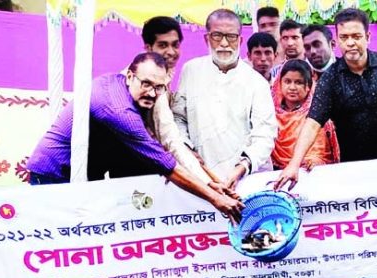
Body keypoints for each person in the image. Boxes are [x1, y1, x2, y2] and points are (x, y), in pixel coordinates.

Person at [26, 52, 243, 221]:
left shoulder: (118, 84)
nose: (151, 93)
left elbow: (172, 145)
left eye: (159, 87)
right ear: (129, 76)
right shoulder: (119, 110)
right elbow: (166, 164)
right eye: (146, 83)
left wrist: (208, 183)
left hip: (83, 177)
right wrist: (215, 199)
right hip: (54, 176)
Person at [275, 7, 377, 190]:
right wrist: (294, 164)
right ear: (337, 40)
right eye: (344, 37)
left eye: (356, 36)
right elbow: (312, 123)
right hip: (356, 170)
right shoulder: (331, 78)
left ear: (368, 37)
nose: (350, 43)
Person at [172, 8, 276, 192]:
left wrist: (242, 166)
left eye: (231, 36)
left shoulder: (256, 82)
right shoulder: (191, 70)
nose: (225, 43)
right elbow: (179, 118)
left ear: (240, 40)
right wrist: (187, 150)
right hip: (202, 179)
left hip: (248, 179)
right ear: (207, 39)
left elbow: (265, 133)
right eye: (217, 36)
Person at [138, 16, 215, 184]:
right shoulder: (148, 81)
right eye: (163, 45)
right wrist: (208, 184)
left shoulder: (165, 76)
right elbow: (167, 134)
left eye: (175, 45)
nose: (171, 52)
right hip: (132, 166)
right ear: (148, 48)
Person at [270, 59, 339, 170]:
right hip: (274, 173)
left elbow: (320, 153)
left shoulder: (316, 114)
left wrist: (314, 161)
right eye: (287, 81)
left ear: (308, 86)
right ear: (279, 83)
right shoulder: (270, 113)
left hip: (310, 173)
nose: (292, 87)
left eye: (298, 82)